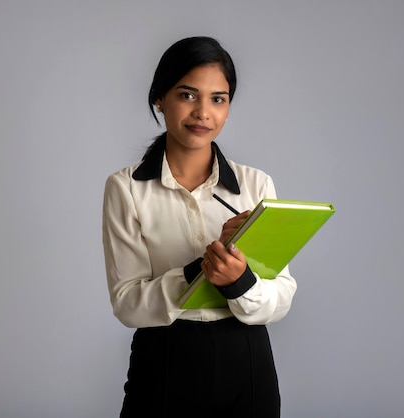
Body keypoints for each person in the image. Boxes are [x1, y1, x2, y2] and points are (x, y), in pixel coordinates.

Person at [102, 36, 297, 418]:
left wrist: (241, 283)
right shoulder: (125, 188)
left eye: (218, 99)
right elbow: (127, 304)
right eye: (188, 95)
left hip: (247, 363)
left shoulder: (257, 186)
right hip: (165, 361)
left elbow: (281, 296)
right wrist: (201, 269)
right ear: (160, 97)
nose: (203, 113)